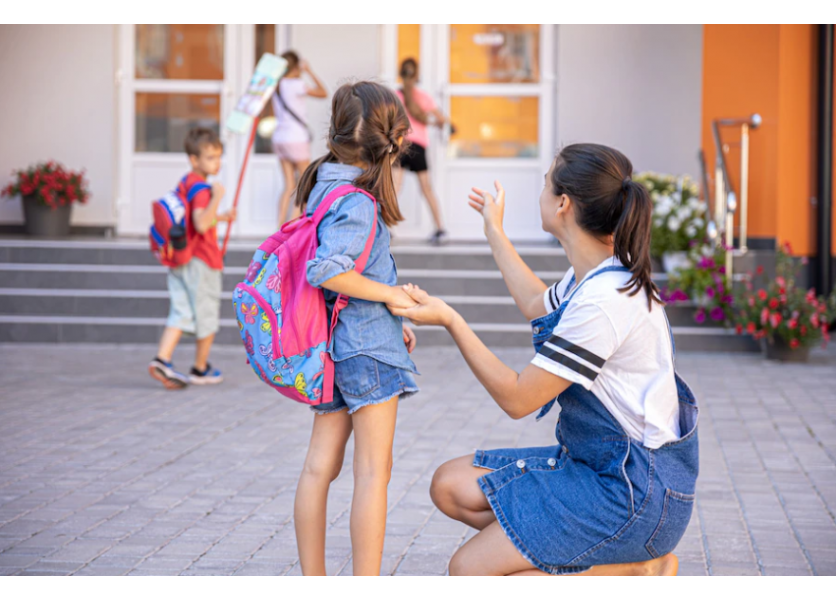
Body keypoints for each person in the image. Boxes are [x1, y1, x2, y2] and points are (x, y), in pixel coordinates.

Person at [390, 143, 698, 576]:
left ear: (563, 204)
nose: (540, 193)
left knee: (468, 572)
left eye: (544, 182)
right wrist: (495, 233)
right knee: (451, 486)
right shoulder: (595, 274)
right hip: (599, 468)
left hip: (633, 493)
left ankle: (634, 569)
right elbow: (537, 303)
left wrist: (451, 320)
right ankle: (594, 556)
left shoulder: (604, 301)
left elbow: (518, 399)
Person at [293, 81, 422, 576]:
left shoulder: (320, 183)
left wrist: (390, 318)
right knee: (373, 474)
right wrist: (393, 298)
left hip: (333, 345)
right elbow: (327, 270)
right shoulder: (359, 200)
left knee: (317, 468)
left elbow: (350, 272)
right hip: (365, 351)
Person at [148, 128, 236, 389]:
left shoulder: (186, 181)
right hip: (202, 261)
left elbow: (193, 218)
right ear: (194, 159)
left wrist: (221, 217)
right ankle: (200, 367)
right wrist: (217, 198)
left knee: (181, 310)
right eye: (210, 158)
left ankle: (162, 359)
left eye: (219, 157)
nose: (216, 163)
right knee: (207, 314)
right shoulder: (203, 189)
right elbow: (199, 223)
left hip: (181, 257)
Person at [394, 58, 450, 245]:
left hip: (399, 145)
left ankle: (383, 229)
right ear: (417, 75)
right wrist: (434, 122)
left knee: (393, 189)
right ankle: (440, 228)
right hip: (417, 146)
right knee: (427, 189)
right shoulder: (423, 97)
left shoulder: (395, 96)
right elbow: (442, 119)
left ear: (400, 73)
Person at [272, 50, 327, 227]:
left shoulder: (276, 85)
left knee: (288, 184)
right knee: (304, 183)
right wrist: (309, 71)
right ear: (296, 66)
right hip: (296, 138)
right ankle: (291, 224)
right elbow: (323, 92)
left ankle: (279, 225)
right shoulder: (296, 84)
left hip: (279, 138)